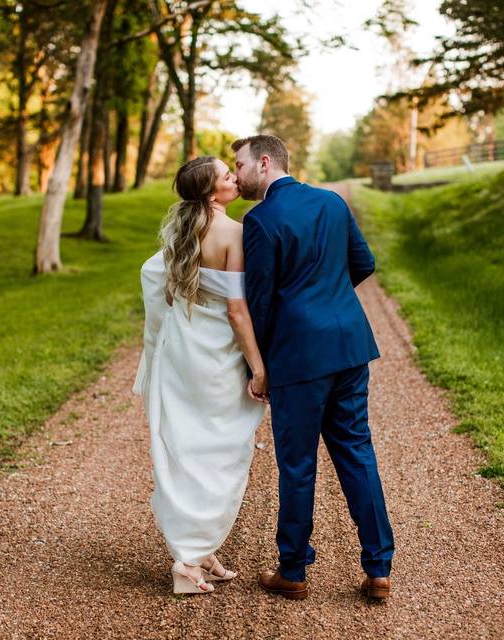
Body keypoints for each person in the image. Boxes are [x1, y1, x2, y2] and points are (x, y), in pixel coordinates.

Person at [232, 134, 395, 601]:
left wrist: (257, 365)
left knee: (298, 464)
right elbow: (364, 263)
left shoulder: (260, 219)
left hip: (299, 358)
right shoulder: (332, 203)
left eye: (239, 164)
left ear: (264, 163)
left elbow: (259, 302)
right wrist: (329, 295)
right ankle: (379, 567)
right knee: (356, 452)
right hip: (348, 346)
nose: (237, 173)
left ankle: (294, 570)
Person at [133, 156, 268, 595]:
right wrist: (259, 365)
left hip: (182, 350)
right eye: (228, 176)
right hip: (216, 357)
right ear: (214, 194)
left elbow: (155, 275)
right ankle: (187, 561)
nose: (236, 177)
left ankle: (200, 547)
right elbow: (235, 309)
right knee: (223, 449)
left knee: (191, 447)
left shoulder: (181, 229)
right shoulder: (234, 233)